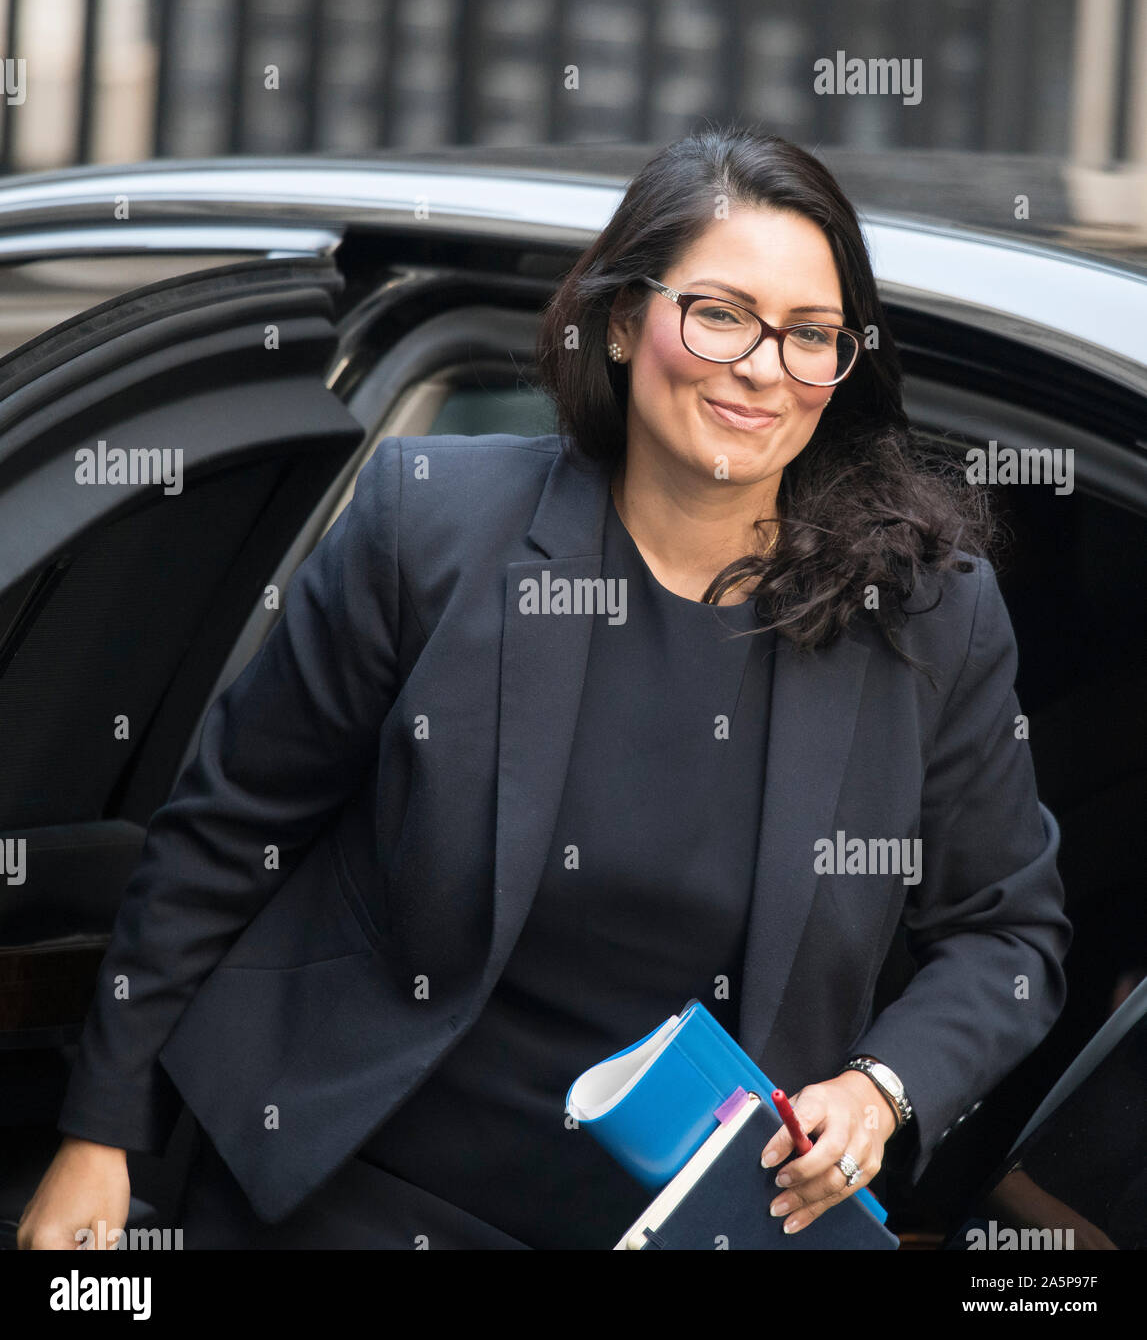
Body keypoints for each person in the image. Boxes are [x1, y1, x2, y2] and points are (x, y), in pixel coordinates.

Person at [18, 125, 1071, 1250]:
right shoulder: (431, 523)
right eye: (719, 313)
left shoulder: (923, 613)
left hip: (697, 1229)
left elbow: (1007, 937)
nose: (763, 367)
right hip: (354, 1195)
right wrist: (100, 1134)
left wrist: (881, 1087)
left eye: (811, 335)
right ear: (621, 321)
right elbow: (224, 837)